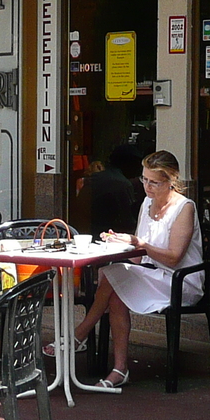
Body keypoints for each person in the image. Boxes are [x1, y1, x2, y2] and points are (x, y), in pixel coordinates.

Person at [73, 150, 201, 390]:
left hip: (180, 281)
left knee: (113, 276)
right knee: (113, 281)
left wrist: (139, 245)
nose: (147, 187)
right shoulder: (147, 203)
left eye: (154, 182)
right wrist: (121, 243)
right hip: (154, 273)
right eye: (144, 179)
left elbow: (174, 258)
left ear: (171, 180)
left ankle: (80, 334)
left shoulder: (184, 208)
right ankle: (119, 369)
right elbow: (141, 254)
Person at [80, 142, 143, 237]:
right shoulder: (122, 184)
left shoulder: (95, 178)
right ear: (129, 164)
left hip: (85, 231)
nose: (139, 169)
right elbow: (127, 222)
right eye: (137, 164)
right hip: (107, 236)